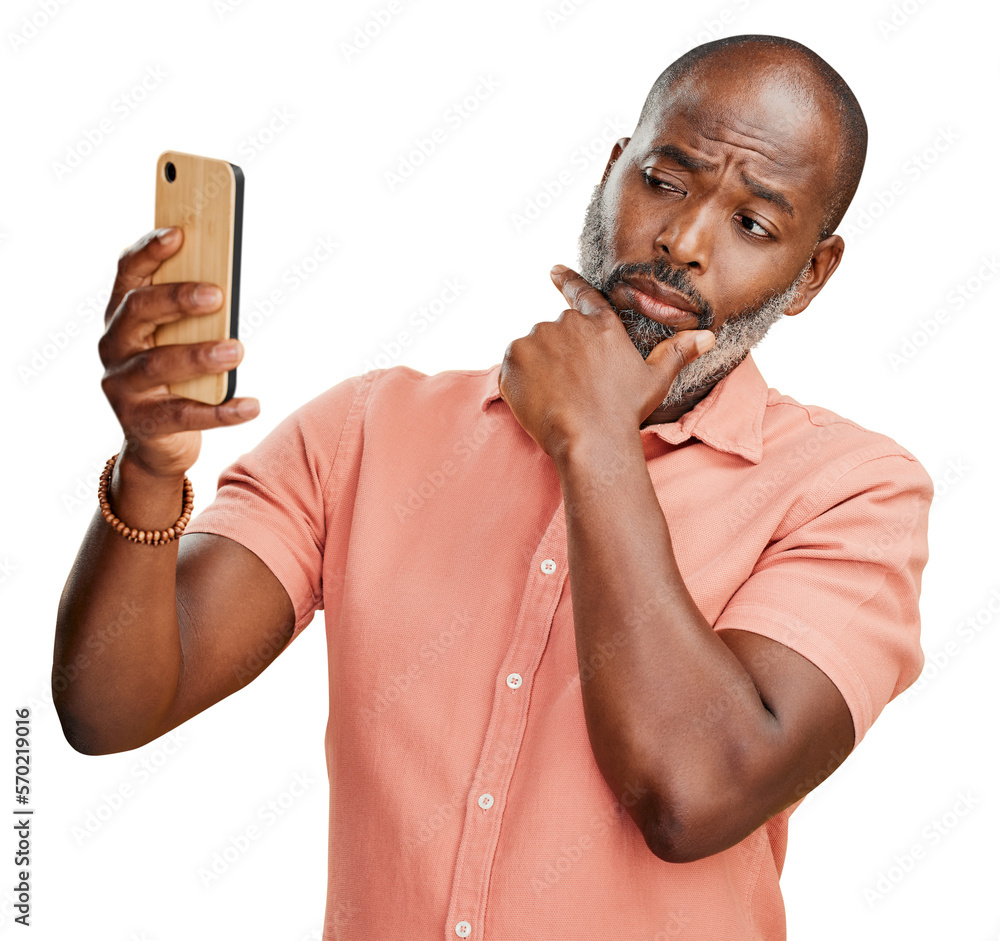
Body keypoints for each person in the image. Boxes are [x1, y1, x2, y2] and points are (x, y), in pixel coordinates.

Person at [54, 33, 932, 941]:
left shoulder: (856, 494)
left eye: (754, 224)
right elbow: (107, 705)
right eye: (664, 181)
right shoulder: (367, 432)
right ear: (610, 170)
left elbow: (694, 793)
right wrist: (151, 470)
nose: (683, 240)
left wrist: (594, 439)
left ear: (812, 276)